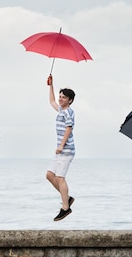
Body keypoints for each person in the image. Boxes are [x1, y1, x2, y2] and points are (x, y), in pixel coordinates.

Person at [46, 74, 76, 222]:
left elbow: (69, 129)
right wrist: (51, 85)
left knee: (60, 177)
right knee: (49, 175)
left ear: (69, 100)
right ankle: (67, 198)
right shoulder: (60, 110)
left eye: (64, 97)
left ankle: (65, 208)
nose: (60, 99)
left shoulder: (69, 111)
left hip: (66, 150)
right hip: (60, 150)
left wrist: (61, 146)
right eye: (60, 96)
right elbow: (51, 100)